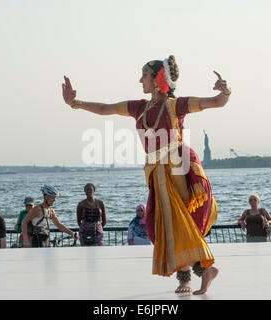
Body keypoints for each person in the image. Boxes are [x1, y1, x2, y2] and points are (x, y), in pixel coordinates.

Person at [62, 55, 231, 295]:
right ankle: (202, 271)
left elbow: (215, 102)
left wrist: (224, 92)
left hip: (177, 169)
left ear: (157, 79)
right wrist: (74, 102)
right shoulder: (138, 108)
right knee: (159, 227)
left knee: (179, 223)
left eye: (144, 75)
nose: (140, 79)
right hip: (156, 174)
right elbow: (104, 108)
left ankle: (190, 277)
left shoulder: (176, 105)